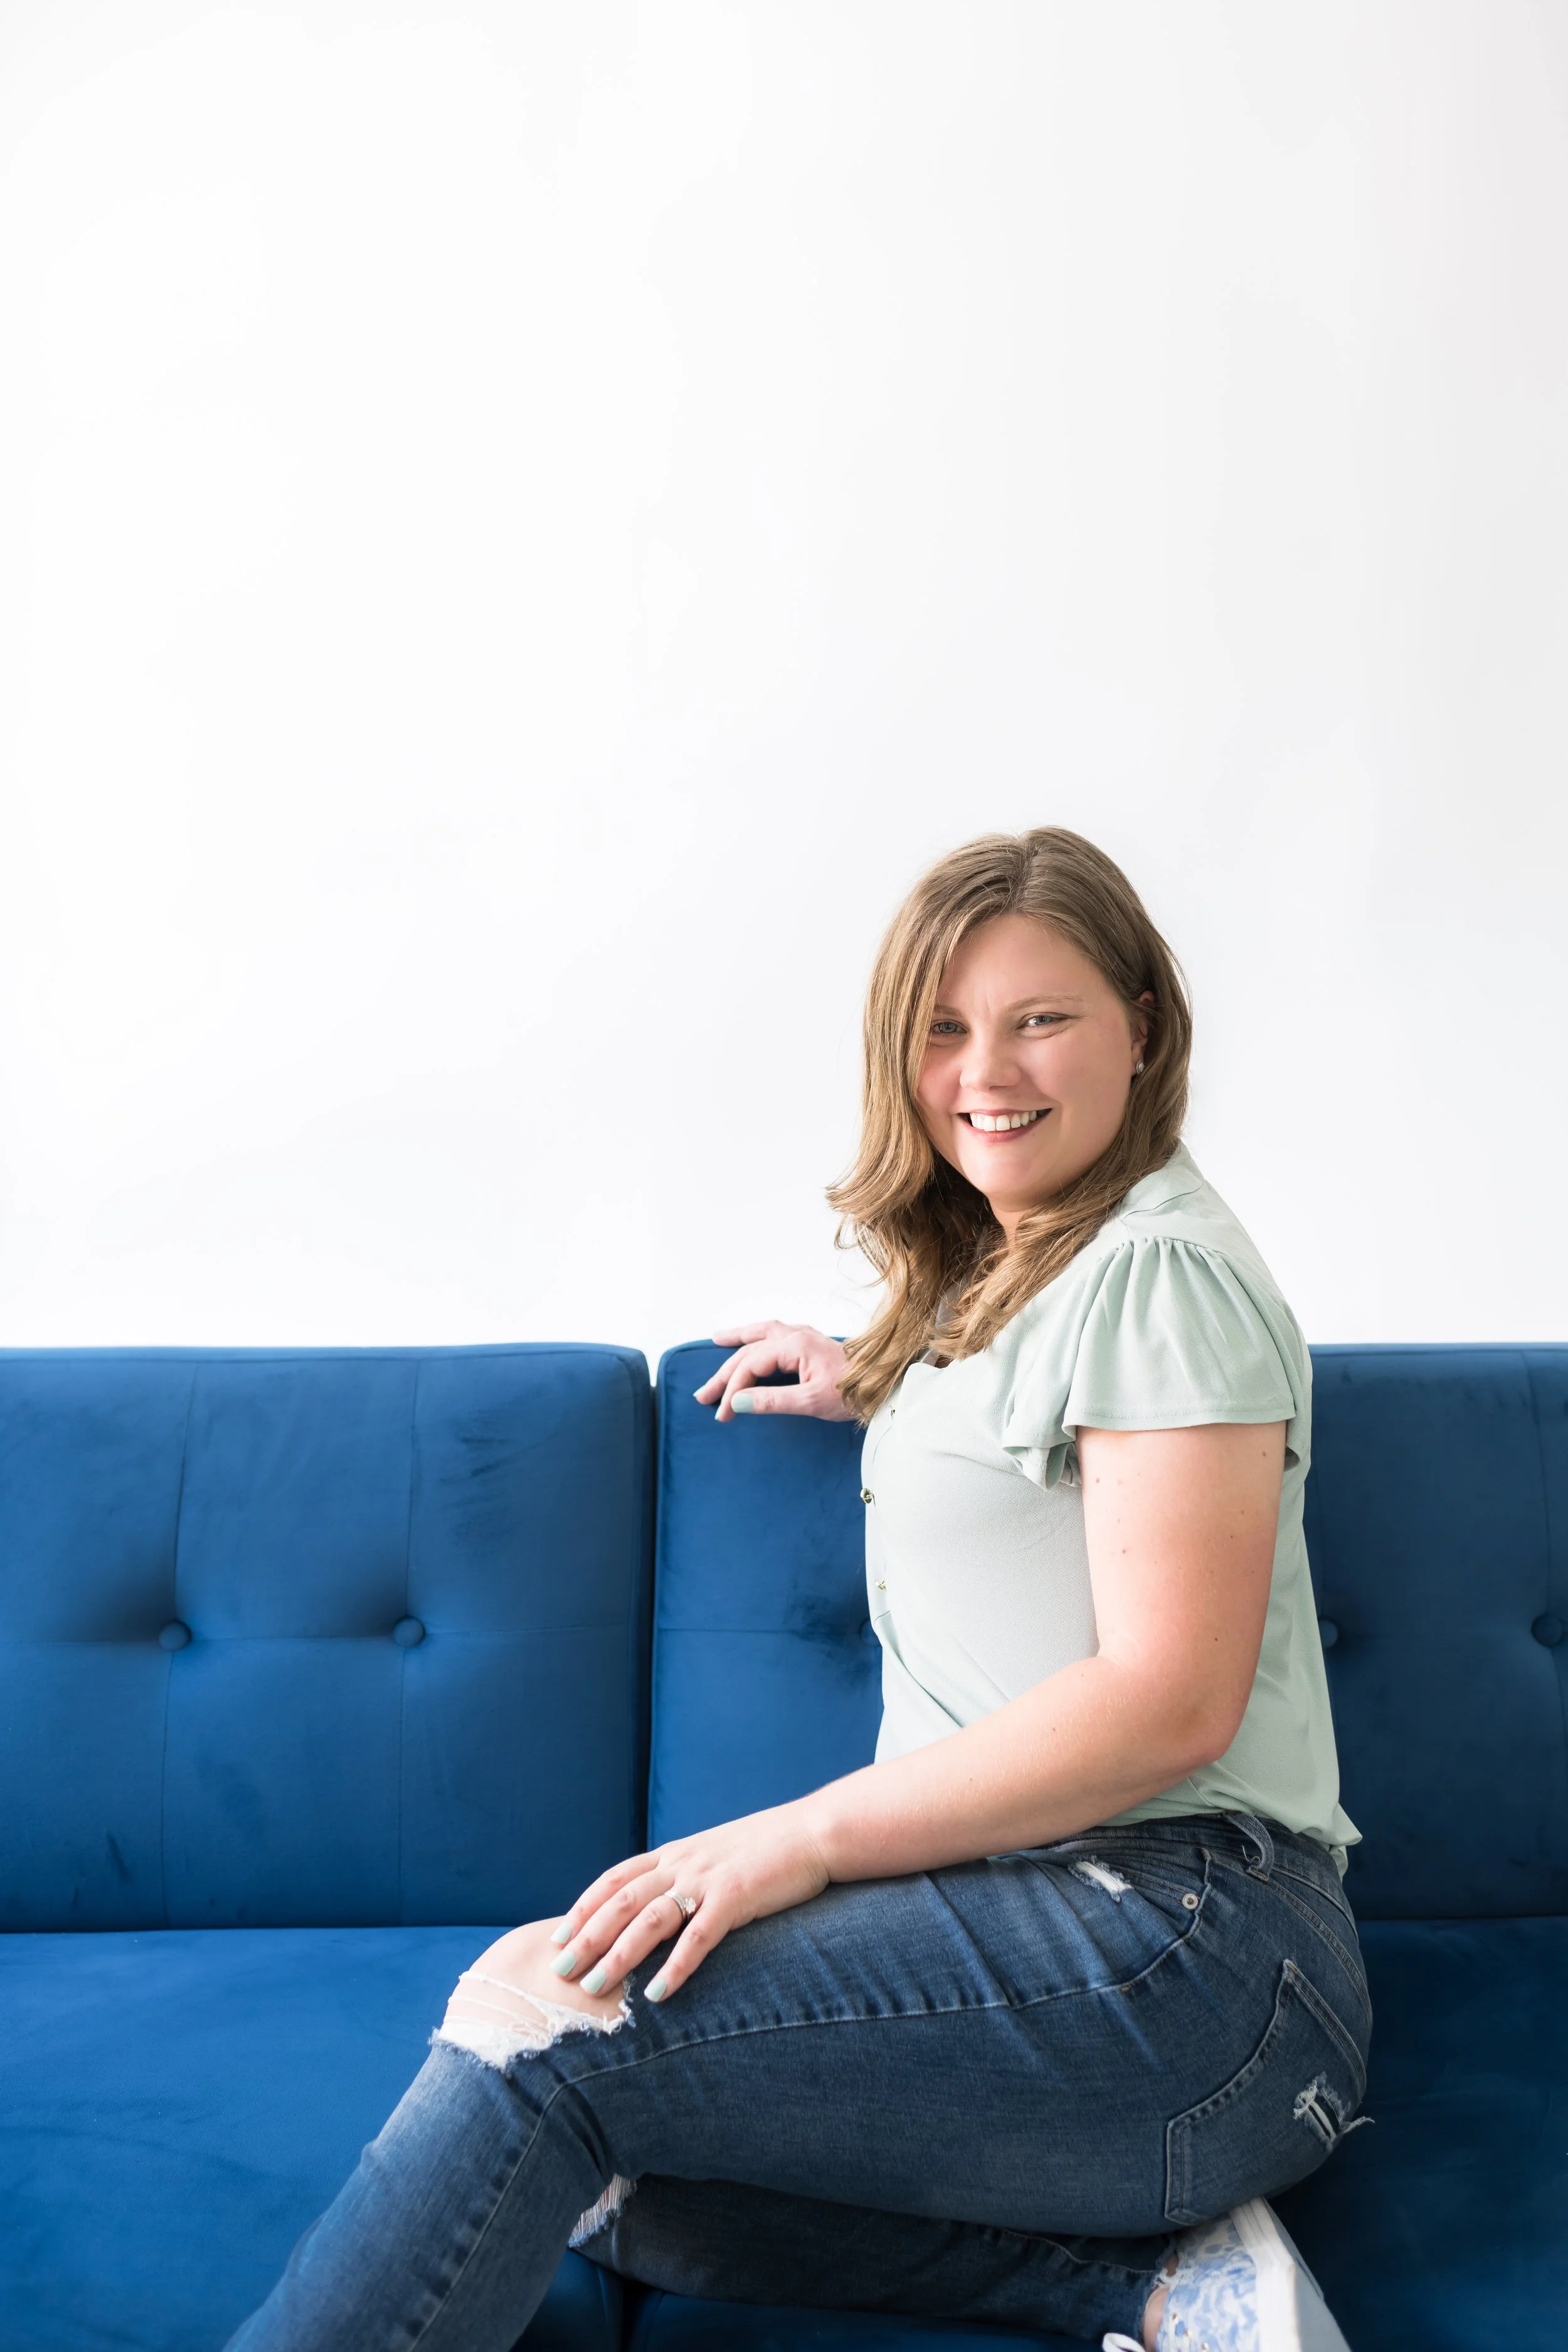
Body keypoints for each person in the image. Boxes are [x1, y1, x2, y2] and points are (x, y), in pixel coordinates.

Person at [229, 829, 1366, 2352]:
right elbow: (1053, 1443)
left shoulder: (1159, 1276)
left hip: (1189, 1953)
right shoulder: (1032, 1273)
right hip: (1098, 1943)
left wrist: (795, 1842)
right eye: (942, 1029)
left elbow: (1169, 1700)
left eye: (1040, 1019)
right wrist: (888, 1378)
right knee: (590, 2169)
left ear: (1142, 1028)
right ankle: (1158, 2281)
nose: (986, 1072)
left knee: (542, 2027)